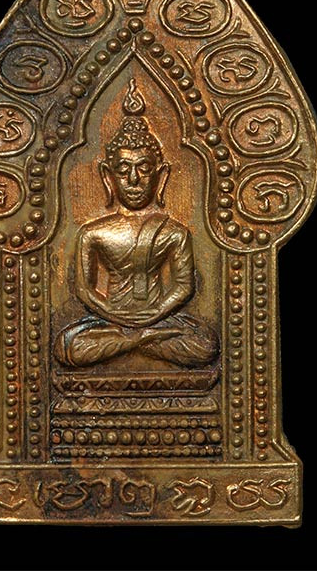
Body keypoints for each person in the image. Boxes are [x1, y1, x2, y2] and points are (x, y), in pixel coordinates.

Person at [54, 79, 219, 368]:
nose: (133, 180)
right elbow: (85, 290)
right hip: (108, 320)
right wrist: (115, 315)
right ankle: (141, 340)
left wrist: (154, 314)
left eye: (143, 168)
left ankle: (134, 340)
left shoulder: (174, 233)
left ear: (161, 175)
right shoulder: (93, 233)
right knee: (68, 346)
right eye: (123, 169)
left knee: (206, 345)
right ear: (108, 175)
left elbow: (183, 287)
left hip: (160, 319)